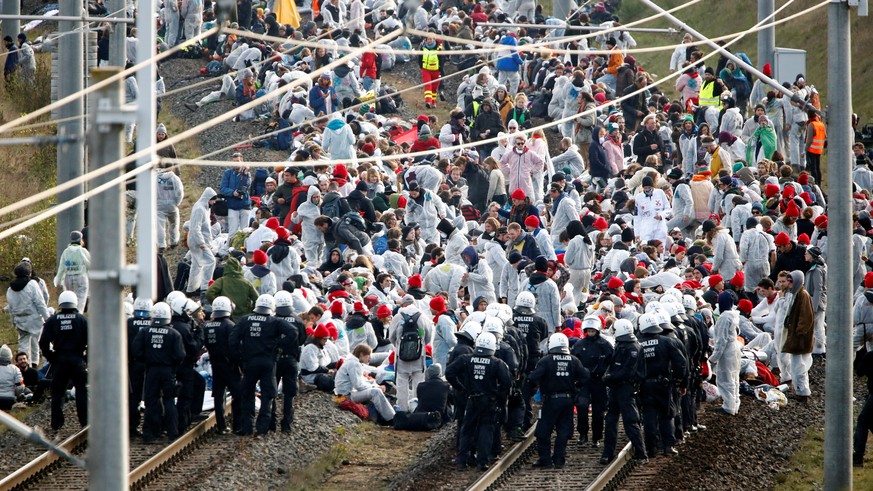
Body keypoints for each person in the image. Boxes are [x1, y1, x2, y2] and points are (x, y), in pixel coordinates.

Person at [230, 295, 297, 435]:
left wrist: (239, 357)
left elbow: (232, 340)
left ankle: (247, 427)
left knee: (247, 393)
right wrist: (278, 345)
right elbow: (293, 332)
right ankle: (262, 429)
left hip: (249, 363)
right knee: (267, 395)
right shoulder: (275, 321)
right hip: (268, 363)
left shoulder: (245, 320)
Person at [445, 332, 512, 471]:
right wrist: (499, 398)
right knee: (486, 429)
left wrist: (461, 388)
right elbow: (507, 382)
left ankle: (462, 461)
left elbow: (449, 372)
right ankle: (483, 461)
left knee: (467, 429)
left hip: (472, 399)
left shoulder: (466, 359)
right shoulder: (497, 363)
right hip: (489, 401)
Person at [528, 333, 589, 469]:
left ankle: (545, 460)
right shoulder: (573, 360)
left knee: (543, 431)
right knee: (564, 430)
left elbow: (533, 377)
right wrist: (575, 387)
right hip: (567, 401)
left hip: (550, 401)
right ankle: (559, 459)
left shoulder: (545, 360)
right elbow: (585, 376)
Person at [133, 302, 185, 443]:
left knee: (151, 402)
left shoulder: (144, 331)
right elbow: (180, 355)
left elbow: (136, 350)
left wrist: (147, 360)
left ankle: (149, 433)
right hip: (168, 371)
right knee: (169, 401)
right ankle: (172, 433)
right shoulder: (174, 334)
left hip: (151, 371)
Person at [39, 291, 88, 432]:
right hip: (77, 359)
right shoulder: (81, 319)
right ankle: (84, 422)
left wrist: (51, 357)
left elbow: (43, 342)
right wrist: (86, 359)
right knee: (81, 390)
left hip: (60, 360)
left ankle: (56, 423)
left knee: (57, 392)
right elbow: (92, 341)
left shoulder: (53, 320)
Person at [600, 319, 648, 465]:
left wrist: (609, 377)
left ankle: (641, 454)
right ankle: (607, 453)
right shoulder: (623, 345)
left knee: (631, 421)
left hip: (626, 389)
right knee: (610, 421)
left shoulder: (632, 348)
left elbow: (628, 371)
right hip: (617, 388)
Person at [202, 296, 243, 434]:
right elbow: (235, 347)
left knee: (219, 396)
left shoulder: (207, 326)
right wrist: (238, 364)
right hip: (230, 366)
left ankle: (221, 426)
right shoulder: (230, 325)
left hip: (215, 364)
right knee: (238, 395)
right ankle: (237, 425)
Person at [571, 315, 614, 447]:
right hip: (584, 382)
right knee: (582, 406)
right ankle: (583, 434)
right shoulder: (579, 345)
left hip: (598, 381)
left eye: (592, 331)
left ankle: (597, 437)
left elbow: (610, 363)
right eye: (588, 331)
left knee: (598, 411)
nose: (590, 333)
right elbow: (574, 362)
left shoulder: (605, 345)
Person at [389, 295, 434, 411]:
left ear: (403, 304)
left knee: (402, 384)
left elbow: (391, 337)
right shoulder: (422, 317)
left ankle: (402, 410)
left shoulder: (398, 317)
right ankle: (417, 410)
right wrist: (421, 345)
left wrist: (399, 345)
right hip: (419, 356)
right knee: (418, 384)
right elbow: (428, 337)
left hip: (401, 357)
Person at [777, 270, 815, 402]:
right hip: (796, 335)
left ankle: (802, 392)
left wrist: (798, 332)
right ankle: (800, 390)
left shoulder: (802, 295)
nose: (789, 283)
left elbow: (806, 317)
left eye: (791, 280)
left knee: (798, 366)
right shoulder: (795, 294)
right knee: (798, 364)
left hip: (799, 338)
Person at [334, 344, 396, 422]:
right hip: (346, 395)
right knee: (375, 392)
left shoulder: (352, 362)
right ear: (361, 354)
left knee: (375, 390)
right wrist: (375, 387)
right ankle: (391, 418)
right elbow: (358, 385)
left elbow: (361, 380)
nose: (369, 359)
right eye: (368, 356)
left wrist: (373, 385)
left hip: (344, 393)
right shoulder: (354, 364)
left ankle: (386, 416)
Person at [5, 261, 50, 367]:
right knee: (43, 342)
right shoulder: (32, 284)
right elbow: (40, 303)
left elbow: (11, 308)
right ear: (29, 273)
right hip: (33, 319)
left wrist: (13, 322)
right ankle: (47, 366)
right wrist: (48, 319)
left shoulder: (10, 289)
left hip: (19, 320)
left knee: (23, 345)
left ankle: (25, 366)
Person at [273, 290, 304, 431]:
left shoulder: (271, 320)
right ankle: (287, 424)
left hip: (275, 360)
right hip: (291, 360)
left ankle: (270, 423)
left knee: (271, 391)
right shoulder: (298, 320)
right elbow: (302, 340)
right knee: (289, 393)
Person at [127, 297, 152, 437]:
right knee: (152, 395)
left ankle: (132, 426)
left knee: (133, 396)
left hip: (133, 364)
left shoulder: (128, 323)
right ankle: (151, 427)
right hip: (151, 364)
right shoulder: (153, 323)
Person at [187, 188, 218, 296]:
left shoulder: (205, 208)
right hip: (198, 242)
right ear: (208, 199)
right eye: (213, 200)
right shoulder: (200, 209)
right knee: (210, 261)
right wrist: (202, 243)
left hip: (199, 241)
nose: (214, 203)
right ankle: (205, 287)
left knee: (197, 265)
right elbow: (195, 228)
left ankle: (191, 289)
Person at [53, 230, 91, 311]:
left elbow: (61, 267)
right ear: (80, 240)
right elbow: (90, 264)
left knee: (70, 299)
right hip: (81, 278)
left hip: (68, 278)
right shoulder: (82, 250)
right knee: (81, 301)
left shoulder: (66, 251)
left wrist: (58, 279)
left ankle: (70, 314)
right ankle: (78, 315)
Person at [157, 163, 184, 250]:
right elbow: (179, 192)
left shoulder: (155, 178)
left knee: (160, 226)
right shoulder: (175, 178)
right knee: (174, 224)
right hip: (172, 205)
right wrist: (177, 203)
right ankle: (173, 242)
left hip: (159, 205)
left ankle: (161, 244)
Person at [0, 345, 23, 410]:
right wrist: (16, 394)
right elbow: (20, 387)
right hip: (10, 399)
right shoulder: (15, 369)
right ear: (10, 357)